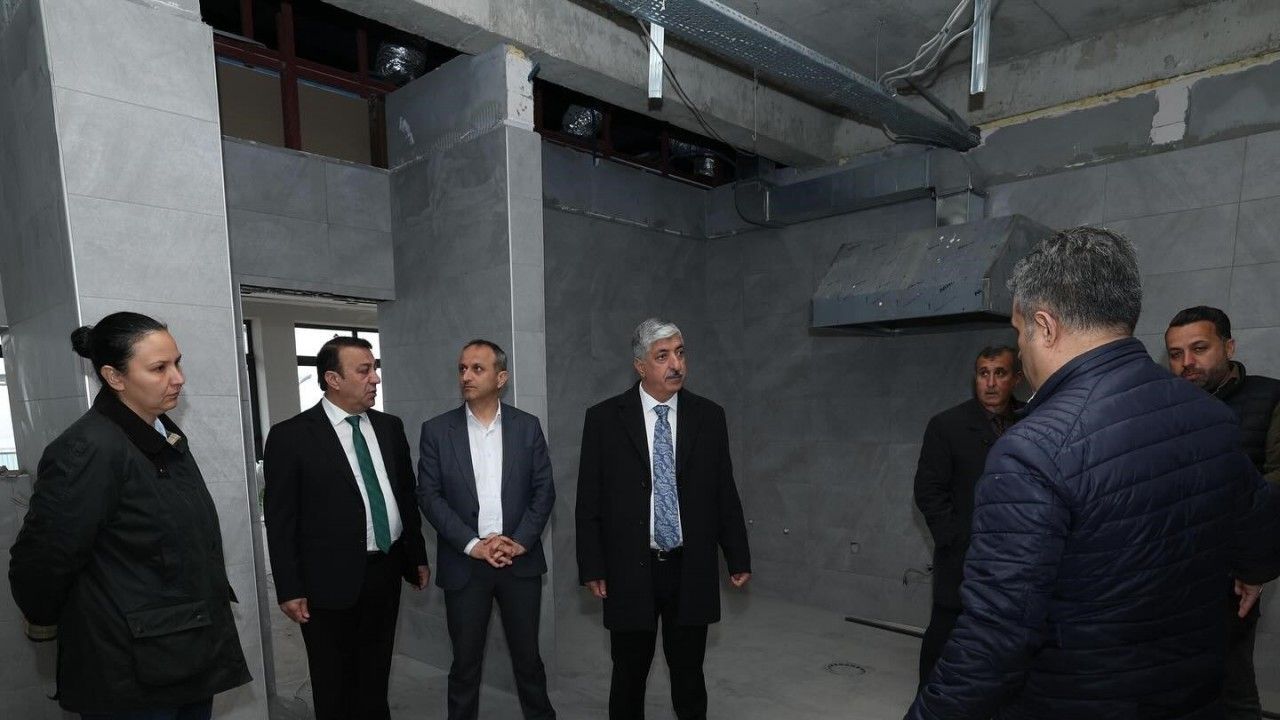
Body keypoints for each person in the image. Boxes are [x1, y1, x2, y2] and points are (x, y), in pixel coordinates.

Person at [907, 227, 1280, 720]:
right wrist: (1251, 573)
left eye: (1019, 332)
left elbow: (993, 640)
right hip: (1192, 697)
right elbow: (1262, 539)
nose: (1020, 348)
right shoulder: (1209, 415)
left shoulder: (1033, 449)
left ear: (1045, 326)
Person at [9, 312, 250, 719]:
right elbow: (43, 561)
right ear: (114, 377)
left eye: (177, 363)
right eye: (159, 368)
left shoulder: (161, 433)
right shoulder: (90, 448)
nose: (178, 378)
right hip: (132, 665)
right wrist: (43, 619)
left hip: (185, 647)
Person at [576, 318, 751, 720]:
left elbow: (724, 490)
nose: (676, 364)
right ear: (640, 365)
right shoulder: (604, 419)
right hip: (628, 569)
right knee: (628, 675)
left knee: (688, 674)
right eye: (663, 356)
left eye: (680, 353)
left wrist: (737, 555)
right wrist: (592, 565)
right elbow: (589, 500)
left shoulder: (709, 416)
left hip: (690, 566)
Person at [263, 336, 429, 720]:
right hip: (326, 582)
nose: (375, 379)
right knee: (333, 683)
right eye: (364, 370)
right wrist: (289, 587)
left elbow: (406, 496)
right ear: (333, 379)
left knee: (375, 675)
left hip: (385, 568)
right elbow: (281, 520)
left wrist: (416, 555)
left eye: (375, 369)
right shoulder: (292, 436)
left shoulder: (389, 427)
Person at [417, 339, 557, 720]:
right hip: (465, 566)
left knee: (529, 662)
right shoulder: (437, 431)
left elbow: (544, 490)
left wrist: (521, 542)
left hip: (519, 563)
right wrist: (472, 544)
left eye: (477, 368)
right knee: (465, 666)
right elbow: (429, 496)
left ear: (501, 377)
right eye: (462, 368)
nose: (466, 375)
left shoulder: (527, 427)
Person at [1166, 305, 1280, 720]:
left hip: (1231, 576)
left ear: (1229, 347)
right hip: (1166, 572)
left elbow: (1275, 487)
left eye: (1199, 348)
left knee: (1233, 688)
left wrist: (1253, 565)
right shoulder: (1166, 404)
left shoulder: (1270, 397)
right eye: (1175, 354)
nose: (1187, 362)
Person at [912, 345, 1023, 686]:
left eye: (1000, 373)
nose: (990, 383)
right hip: (962, 557)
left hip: (1019, 558)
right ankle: (929, 701)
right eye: (983, 373)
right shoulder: (947, 425)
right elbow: (928, 491)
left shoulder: (1035, 419)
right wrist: (956, 539)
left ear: (1016, 378)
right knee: (945, 635)